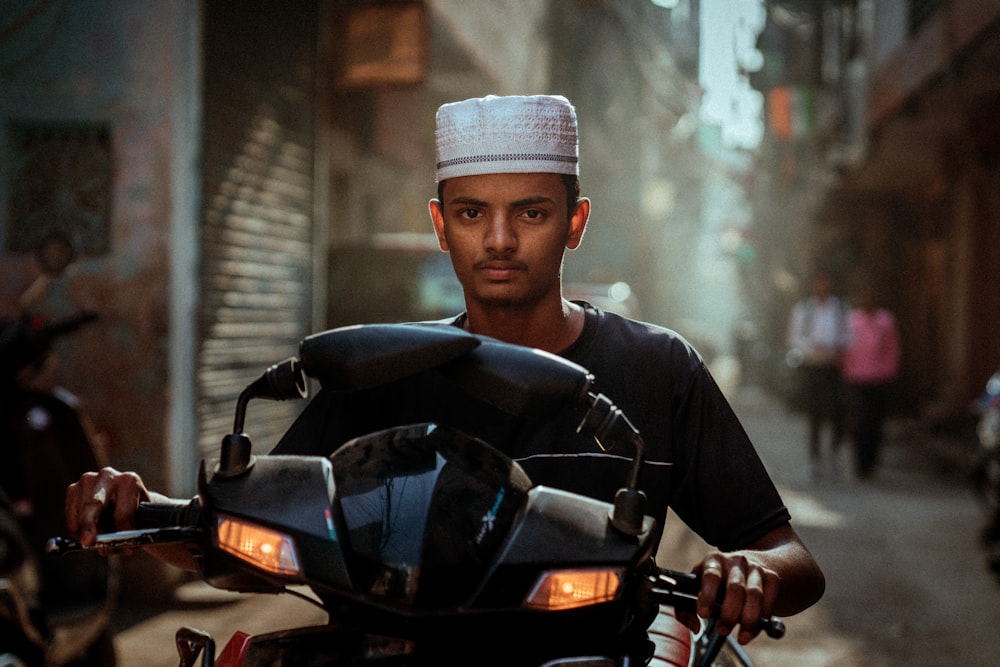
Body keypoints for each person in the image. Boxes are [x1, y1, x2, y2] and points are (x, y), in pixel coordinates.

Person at [66, 94, 824, 649]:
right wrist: (142, 512)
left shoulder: (658, 368)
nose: (498, 240)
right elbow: (255, 549)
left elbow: (792, 554)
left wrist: (750, 570)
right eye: (470, 214)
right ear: (440, 224)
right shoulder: (380, 368)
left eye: (530, 212)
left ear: (576, 222)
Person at [786, 271, 849, 481]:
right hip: (813, 367)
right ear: (813, 285)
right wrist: (813, 347)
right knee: (815, 415)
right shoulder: (804, 310)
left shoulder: (840, 309)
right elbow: (794, 338)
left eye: (826, 282)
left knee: (839, 412)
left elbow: (849, 336)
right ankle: (815, 460)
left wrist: (835, 346)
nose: (822, 286)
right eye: (818, 282)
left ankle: (835, 454)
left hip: (834, 367)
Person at [841, 284, 900, 478]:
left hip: (879, 379)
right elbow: (845, 349)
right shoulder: (852, 320)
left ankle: (872, 462)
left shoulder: (885, 320)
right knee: (859, 422)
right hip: (857, 379)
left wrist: (888, 371)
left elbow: (892, 348)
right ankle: (860, 463)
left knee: (875, 423)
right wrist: (848, 370)